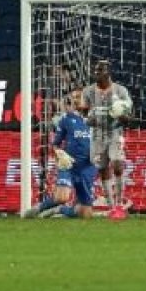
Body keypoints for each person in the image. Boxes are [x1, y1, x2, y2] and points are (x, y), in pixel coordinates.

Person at [24, 90, 97, 219]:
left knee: (85, 214)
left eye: (79, 97)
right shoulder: (67, 119)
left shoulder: (97, 120)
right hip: (69, 164)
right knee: (61, 196)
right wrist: (59, 154)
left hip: (88, 167)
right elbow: (56, 144)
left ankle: (60, 210)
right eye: (73, 98)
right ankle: (38, 208)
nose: (75, 100)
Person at [83, 60, 132, 219]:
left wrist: (120, 115)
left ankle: (119, 205)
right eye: (95, 70)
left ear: (108, 72)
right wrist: (88, 120)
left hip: (115, 133)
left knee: (117, 164)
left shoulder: (121, 91)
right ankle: (113, 208)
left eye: (100, 70)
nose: (96, 73)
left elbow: (130, 118)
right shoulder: (88, 92)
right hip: (97, 135)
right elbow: (84, 114)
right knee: (103, 169)